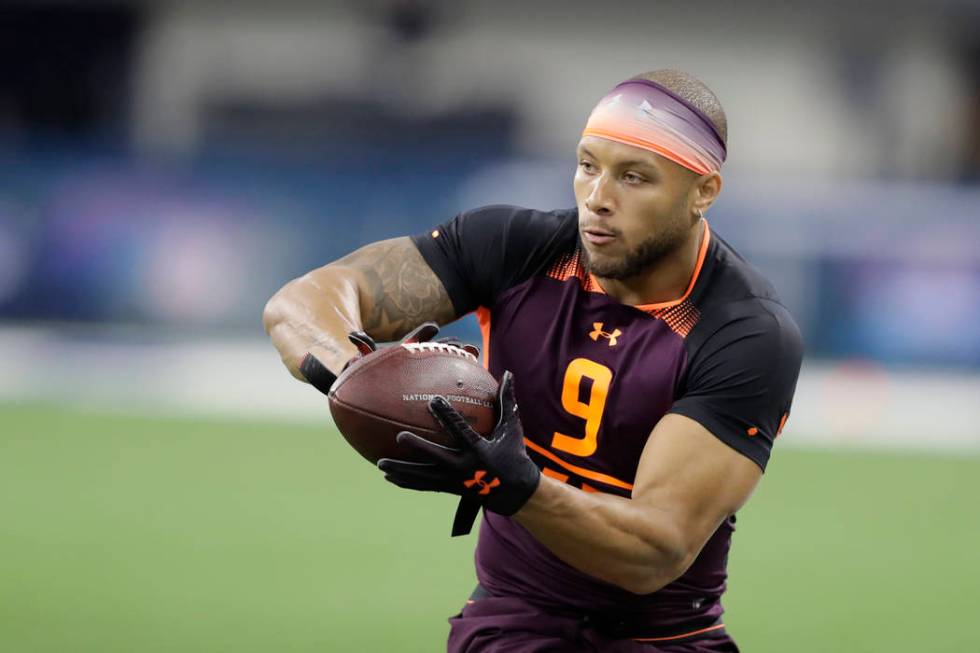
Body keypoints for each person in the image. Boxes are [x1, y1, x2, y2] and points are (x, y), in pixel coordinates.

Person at [264, 69, 804, 652]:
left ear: (703, 191)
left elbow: (655, 550)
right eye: (588, 164)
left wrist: (513, 484)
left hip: (667, 638)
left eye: (634, 177)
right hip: (514, 623)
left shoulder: (745, 333)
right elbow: (302, 303)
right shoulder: (514, 248)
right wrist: (355, 373)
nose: (598, 198)